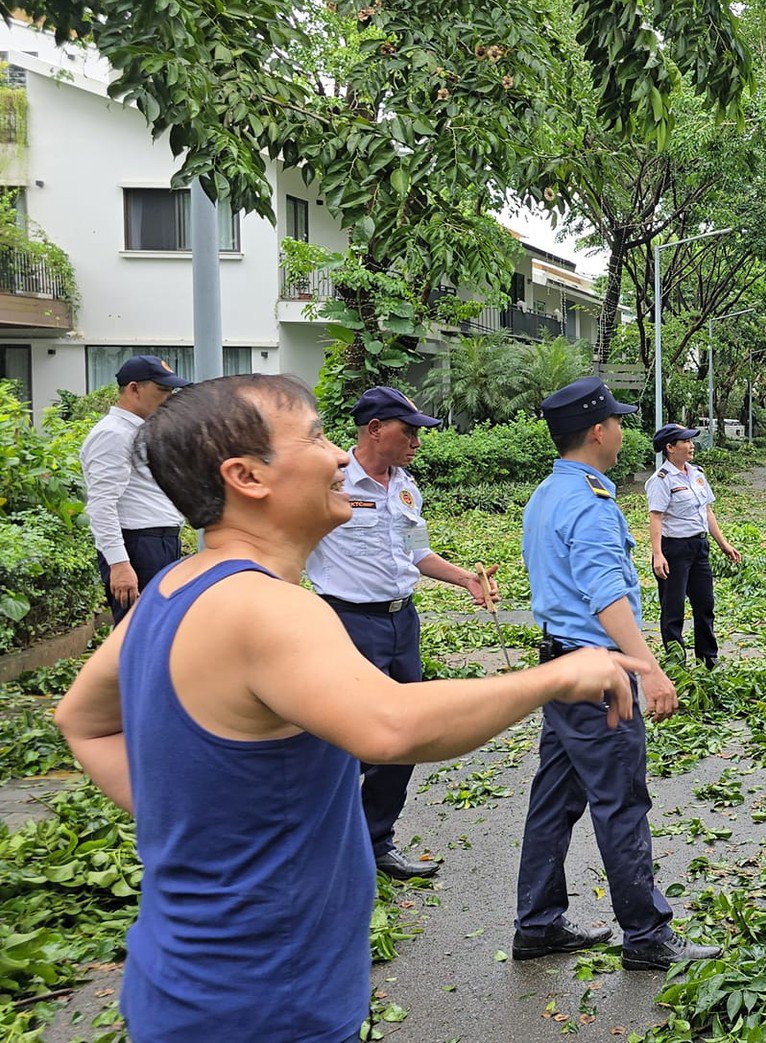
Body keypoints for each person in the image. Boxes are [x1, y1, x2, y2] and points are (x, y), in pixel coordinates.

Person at [51, 374, 641, 1043]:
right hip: (265, 1000)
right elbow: (390, 725)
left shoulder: (176, 584)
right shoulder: (267, 606)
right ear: (247, 476)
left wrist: (200, 825)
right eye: (314, 436)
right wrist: (558, 675)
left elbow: (83, 719)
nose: (337, 455)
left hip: (184, 985)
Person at [515, 380, 722, 969]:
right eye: (618, 422)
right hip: (599, 673)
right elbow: (607, 596)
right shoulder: (589, 502)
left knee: (554, 798)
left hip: (560, 664)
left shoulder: (547, 495)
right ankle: (645, 934)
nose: (624, 432)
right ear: (599, 431)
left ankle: (537, 923)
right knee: (621, 800)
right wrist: (650, 670)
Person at [306, 385, 499, 880]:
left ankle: (376, 841)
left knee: (406, 735)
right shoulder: (328, 484)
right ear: (375, 429)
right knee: (349, 738)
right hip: (348, 621)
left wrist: (466, 579)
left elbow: (416, 551)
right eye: (408, 431)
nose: (417, 441)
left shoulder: (406, 487)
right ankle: (330, 845)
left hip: (400, 622)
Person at [81, 355, 189, 622]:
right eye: (162, 390)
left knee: (157, 633)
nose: (169, 397)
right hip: (139, 546)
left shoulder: (139, 430)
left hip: (158, 542)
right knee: (137, 634)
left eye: (171, 391)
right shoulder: (113, 434)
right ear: (134, 389)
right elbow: (101, 504)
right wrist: (119, 564)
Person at [647, 424, 741, 671]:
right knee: (673, 609)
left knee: (705, 605)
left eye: (691, 441)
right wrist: (657, 554)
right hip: (674, 550)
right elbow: (655, 517)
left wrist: (723, 544)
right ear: (669, 448)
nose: (691, 446)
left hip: (699, 547)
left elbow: (707, 511)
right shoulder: (661, 480)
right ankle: (676, 664)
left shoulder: (697, 473)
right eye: (685, 441)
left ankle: (708, 659)